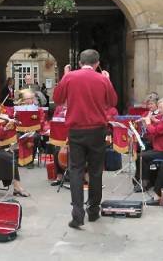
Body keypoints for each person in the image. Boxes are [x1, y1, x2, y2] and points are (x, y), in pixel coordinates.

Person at [53, 49, 118, 229]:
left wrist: (65, 76)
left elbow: (57, 98)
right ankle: (94, 210)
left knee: (76, 170)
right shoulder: (102, 79)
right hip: (98, 130)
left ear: (80, 63)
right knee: (96, 170)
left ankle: (77, 213)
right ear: (97, 63)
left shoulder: (70, 77)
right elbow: (113, 101)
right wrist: (108, 79)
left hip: (76, 130)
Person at [134, 97, 163, 192]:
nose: (159, 110)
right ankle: (144, 180)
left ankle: (145, 182)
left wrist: (149, 122)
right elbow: (160, 123)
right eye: (159, 107)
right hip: (160, 148)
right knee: (142, 154)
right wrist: (151, 120)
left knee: (142, 157)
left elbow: (155, 131)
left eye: (161, 107)